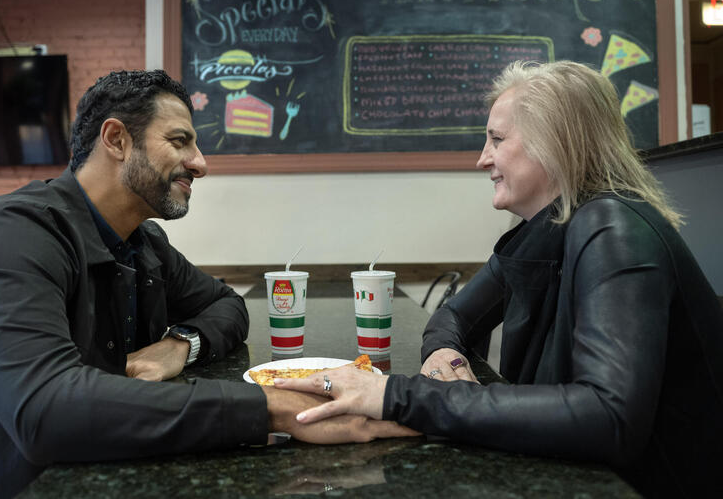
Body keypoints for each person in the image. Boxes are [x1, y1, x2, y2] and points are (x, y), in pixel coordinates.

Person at [0, 69, 412, 498]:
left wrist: (182, 343)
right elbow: (45, 411)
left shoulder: (143, 241)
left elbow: (226, 306)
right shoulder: (11, 233)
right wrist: (272, 408)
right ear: (116, 140)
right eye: (180, 141)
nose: (201, 163)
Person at [276, 60, 723, 498]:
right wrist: (445, 357)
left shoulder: (613, 228)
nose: (482, 159)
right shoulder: (540, 232)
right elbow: (452, 316)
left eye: (496, 139)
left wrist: (395, 394)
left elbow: (609, 417)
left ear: (555, 142)